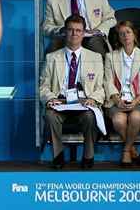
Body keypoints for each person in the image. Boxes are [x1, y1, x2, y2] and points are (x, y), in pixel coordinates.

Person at [39, 14, 105, 169]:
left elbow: (100, 87)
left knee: (90, 116)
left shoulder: (95, 57)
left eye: (78, 30)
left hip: (84, 102)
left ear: (83, 33)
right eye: (70, 30)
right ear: (65, 32)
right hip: (60, 101)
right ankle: (58, 155)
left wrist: (94, 99)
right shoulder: (52, 57)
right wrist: (50, 99)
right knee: (50, 114)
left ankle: (88, 156)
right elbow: (43, 86)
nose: (74, 34)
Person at [103, 21, 140, 166]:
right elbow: (108, 82)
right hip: (116, 99)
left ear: (134, 35)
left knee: (135, 117)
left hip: (138, 100)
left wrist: (135, 101)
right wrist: (117, 100)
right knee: (119, 121)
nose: (125, 36)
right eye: (121, 33)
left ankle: (126, 151)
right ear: (118, 37)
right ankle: (133, 150)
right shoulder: (110, 56)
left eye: (128, 32)